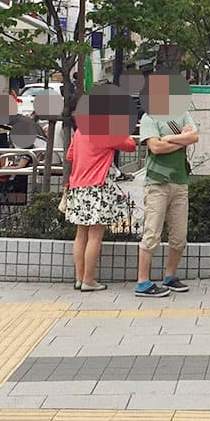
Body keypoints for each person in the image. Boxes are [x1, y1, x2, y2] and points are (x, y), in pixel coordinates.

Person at [65, 86, 138, 291]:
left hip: (77, 187)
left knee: (81, 235)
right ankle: (89, 280)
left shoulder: (80, 131)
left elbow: (70, 156)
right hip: (97, 187)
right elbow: (130, 144)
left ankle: (79, 279)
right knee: (96, 235)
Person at [135, 74, 200, 298]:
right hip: (157, 181)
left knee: (179, 235)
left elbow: (194, 137)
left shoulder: (182, 114)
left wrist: (168, 139)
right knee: (152, 233)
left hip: (180, 181)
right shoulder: (149, 118)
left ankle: (170, 276)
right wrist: (178, 139)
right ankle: (142, 281)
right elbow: (155, 148)